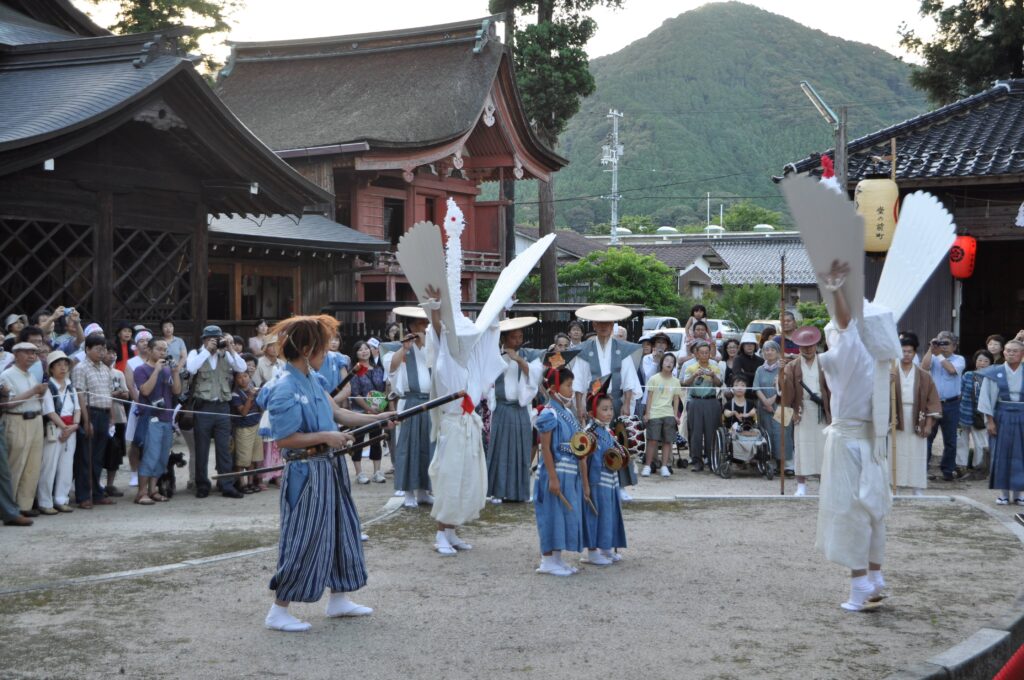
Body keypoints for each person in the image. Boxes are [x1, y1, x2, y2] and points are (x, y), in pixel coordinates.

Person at [262, 315, 386, 633]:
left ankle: (340, 597)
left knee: (342, 529)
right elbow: (285, 439)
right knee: (304, 536)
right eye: (321, 349)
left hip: (329, 468)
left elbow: (338, 413)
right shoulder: (283, 387)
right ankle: (279, 609)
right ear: (305, 350)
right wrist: (327, 437)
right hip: (305, 472)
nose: (327, 356)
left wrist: (382, 417)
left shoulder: (312, 380)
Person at [815, 260, 897, 612]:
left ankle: (860, 584)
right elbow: (847, 328)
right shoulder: (881, 359)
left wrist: (836, 290)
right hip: (873, 442)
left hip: (849, 441)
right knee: (874, 510)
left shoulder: (851, 353)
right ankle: (876, 577)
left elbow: (845, 327)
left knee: (851, 512)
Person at [423, 284, 504, 556]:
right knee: (449, 477)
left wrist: (499, 310)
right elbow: (437, 334)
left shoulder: (473, 362)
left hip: (469, 423)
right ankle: (440, 533)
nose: (467, 343)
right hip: (453, 424)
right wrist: (436, 308)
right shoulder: (447, 359)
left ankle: (452, 530)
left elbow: (491, 335)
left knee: (468, 478)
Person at [572, 304, 643, 498]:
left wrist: (627, 405)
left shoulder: (622, 349)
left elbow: (629, 381)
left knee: (617, 443)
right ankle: (594, 484)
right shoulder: (585, 349)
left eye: (607, 323)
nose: (603, 327)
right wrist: (580, 407)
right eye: (600, 323)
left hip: (615, 402)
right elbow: (578, 381)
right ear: (594, 325)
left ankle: (620, 486)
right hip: (593, 404)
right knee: (594, 444)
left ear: (613, 325)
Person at [534, 359, 585, 576]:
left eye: (572, 385)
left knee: (564, 515)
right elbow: (545, 448)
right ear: (554, 389)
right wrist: (553, 478)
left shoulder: (568, 413)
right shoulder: (549, 413)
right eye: (567, 385)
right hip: (554, 471)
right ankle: (547, 560)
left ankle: (557, 558)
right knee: (552, 513)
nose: (571, 390)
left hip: (569, 472)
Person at [186, 325, 247, 498]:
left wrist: (230, 349)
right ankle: (202, 485)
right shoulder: (196, 353)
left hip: (222, 406)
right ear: (204, 340)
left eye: (217, 338)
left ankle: (226, 484)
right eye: (210, 338)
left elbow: (241, 368)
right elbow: (191, 368)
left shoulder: (226, 354)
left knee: (224, 449)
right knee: (201, 449)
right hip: (203, 406)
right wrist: (207, 350)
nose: (214, 341)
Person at [486, 317, 542, 504]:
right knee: (500, 450)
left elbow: (535, 375)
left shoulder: (529, 355)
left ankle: (519, 492)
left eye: (520, 337)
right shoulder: (494, 355)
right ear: (503, 339)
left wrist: (517, 359)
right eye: (513, 338)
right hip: (501, 408)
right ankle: (498, 491)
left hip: (520, 409)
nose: (518, 341)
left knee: (521, 450)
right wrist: (502, 357)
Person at [385, 306, 434, 508]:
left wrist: (427, 344)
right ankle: (408, 493)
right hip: (410, 402)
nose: (424, 328)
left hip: (430, 402)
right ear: (411, 326)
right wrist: (405, 348)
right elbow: (391, 367)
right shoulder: (395, 348)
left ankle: (424, 491)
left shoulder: (433, 347)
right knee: (408, 447)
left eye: (426, 323)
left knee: (427, 447)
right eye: (421, 324)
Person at [1, 342, 50, 515]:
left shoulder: (31, 374)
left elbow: (36, 397)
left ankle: (24, 505)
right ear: (16, 354)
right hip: (17, 420)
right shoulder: (7, 375)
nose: (32, 356)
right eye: (28, 352)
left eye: (34, 353)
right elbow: (8, 403)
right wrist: (34, 391)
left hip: (35, 418)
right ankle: (9, 507)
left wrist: (40, 392)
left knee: (32, 466)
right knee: (16, 464)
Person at [781, 326, 831, 496]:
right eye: (804, 346)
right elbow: (786, 392)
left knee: (824, 448)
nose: (808, 349)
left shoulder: (825, 362)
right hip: (801, 410)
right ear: (799, 347)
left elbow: (834, 387)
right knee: (802, 447)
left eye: (811, 346)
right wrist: (783, 374)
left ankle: (824, 483)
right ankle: (801, 485)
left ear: (816, 345)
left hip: (824, 409)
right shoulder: (792, 365)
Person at [582, 384, 627, 566]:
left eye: (611, 409)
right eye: (604, 409)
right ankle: (592, 552)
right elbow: (582, 459)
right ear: (593, 412)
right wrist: (586, 485)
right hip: (596, 482)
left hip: (609, 481)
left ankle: (606, 547)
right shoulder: (589, 433)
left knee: (609, 514)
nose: (609, 413)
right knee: (596, 515)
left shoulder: (607, 431)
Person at [70, 333, 115, 509]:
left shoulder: (105, 369)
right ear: (87, 349)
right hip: (90, 413)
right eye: (98, 349)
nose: (102, 352)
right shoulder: (81, 368)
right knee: (85, 457)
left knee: (98, 458)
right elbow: (80, 395)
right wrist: (86, 421)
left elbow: (109, 394)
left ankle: (97, 492)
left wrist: (111, 416)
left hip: (104, 413)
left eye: (104, 349)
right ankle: (83, 496)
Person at [134, 339, 181, 505]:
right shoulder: (141, 369)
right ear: (150, 350)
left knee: (162, 457)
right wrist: (156, 370)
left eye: (165, 349)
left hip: (167, 418)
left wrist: (175, 372)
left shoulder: (167, 370)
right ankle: (141, 492)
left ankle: (153, 489)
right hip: (150, 418)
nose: (163, 352)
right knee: (150, 455)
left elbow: (176, 390)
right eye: (159, 349)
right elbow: (145, 390)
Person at [892, 334, 940, 496]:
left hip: (917, 416)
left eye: (909, 352)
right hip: (896, 416)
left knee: (917, 453)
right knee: (895, 452)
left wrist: (928, 424)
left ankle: (917, 487)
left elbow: (932, 401)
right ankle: (894, 487)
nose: (906, 355)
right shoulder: (890, 373)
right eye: (903, 351)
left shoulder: (924, 375)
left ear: (914, 353)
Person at [978, 339, 1024, 505]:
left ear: (1022, 354)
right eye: (1008, 350)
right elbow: (985, 398)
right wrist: (990, 421)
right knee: (1001, 453)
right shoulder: (993, 372)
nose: (1011, 354)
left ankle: (1020, 494)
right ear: (1003, 352)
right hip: (1001, 415)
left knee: (1021, 454)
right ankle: (1004, 493)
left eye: (1015, 351)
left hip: (1022, 415)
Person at [38, 351, 79, 514]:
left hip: (70, 429)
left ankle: (62, 498)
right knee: (49, 465)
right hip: (55, 428)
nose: (63, 368)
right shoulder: (49, 387)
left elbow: (77, 409)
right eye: (59, 365)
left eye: (65, 364)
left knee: (67, 465)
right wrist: (65, 427)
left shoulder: (71, 386)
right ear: (51, 369)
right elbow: (50, 411)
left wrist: (74, 425)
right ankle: (45, 501)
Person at [921, 330, 965, 481]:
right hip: (932, 403)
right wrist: (930, 349)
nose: (943, 346)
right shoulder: (933, 357)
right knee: (927, 437)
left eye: (947, 343)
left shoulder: (959, 359)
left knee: (950, 440)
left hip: (951, 404)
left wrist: (939, 354)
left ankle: (948, 470)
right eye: (941, 343)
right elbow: (924, 367)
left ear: (954, 345)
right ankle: (923, 470)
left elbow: (952, 370)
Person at [349, 340, 388, 484]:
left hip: (378, 410)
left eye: (366, 348)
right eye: (360, 349)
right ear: (356, 353)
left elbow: (384, 388)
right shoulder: (355, 370)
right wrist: (368, 408)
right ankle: (359, 472)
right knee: (358, 440)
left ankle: (377, 471)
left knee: (376, 439)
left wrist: (381, 404)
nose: (364, 351)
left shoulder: (378, 368)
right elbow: (355, 393)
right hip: (360, 411)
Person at [682, 340, 723, 471]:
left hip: (711, 400)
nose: (705, 355)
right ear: (697, 354)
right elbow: (685, 384)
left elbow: (719, 383)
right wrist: (694, 375)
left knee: (711, 431)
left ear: (710, 353)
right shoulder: (691, 367)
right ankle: (697, 461)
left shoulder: (715, 366)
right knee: (696, 433)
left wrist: (712, 375)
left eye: (707, 352)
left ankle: (712, 460)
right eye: (702, 353)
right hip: (695, 400)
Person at [754, 340, 792, 474]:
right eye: (766, 350)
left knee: (783, 433)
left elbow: (787, 387)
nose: (769, 352)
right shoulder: (759, 369)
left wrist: (773, 400)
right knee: (768, 433)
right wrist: (766, 402)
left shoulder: (784, 367)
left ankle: (787, 465)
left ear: (777, 352)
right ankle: (773, 463)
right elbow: (756, 387)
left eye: (772, 350)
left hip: (782, 403)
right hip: (764, 407)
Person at [642, 352, 681, 477]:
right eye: (666, 361)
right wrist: (647, 414)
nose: (669, 363)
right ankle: (648, 465)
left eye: (671, 362)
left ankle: (664, 466)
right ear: (662, 363)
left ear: (674, 365)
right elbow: (649, 397)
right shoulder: (654, 378)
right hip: (654, 413)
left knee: (667, 441)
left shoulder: (676, 381)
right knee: (652, 440)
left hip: (668, 413)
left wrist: (675, 416)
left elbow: (676, 399)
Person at [121, 331, 151, 491]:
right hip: (138, 405)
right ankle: (134, 473)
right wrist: (140, 403)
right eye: (142, 340)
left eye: (148, 340)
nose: (145, 343)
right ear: (136, 344)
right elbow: (130, 385)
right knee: (135, 441)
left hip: (155, 405)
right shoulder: (131, 362)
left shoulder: (156, 361)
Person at [958, 349, 994, 477]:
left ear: (991, 363)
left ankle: (979, 467)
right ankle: (960, 466)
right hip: (964, 412)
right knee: (961, 441)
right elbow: (960, 393)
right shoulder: (967, 375)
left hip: (981, 415)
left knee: (981, 443)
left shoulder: (992, 378)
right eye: (979, 360)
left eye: (986, 361)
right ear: (975, 361)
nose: (982, 363)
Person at [231, 370, 264, 493]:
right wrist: (250, 397)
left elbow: (261, 409)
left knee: (253, 457)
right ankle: (241, 483)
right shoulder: (235, 394)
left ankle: (250, 482)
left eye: (245, 376)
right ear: (235, 380)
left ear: (249, 377)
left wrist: (260, 396)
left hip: (256, 425)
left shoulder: (254, 390)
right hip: (243, 428)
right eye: (239, 377)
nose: (243, 379)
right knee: (242, 458)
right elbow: (243, 412)